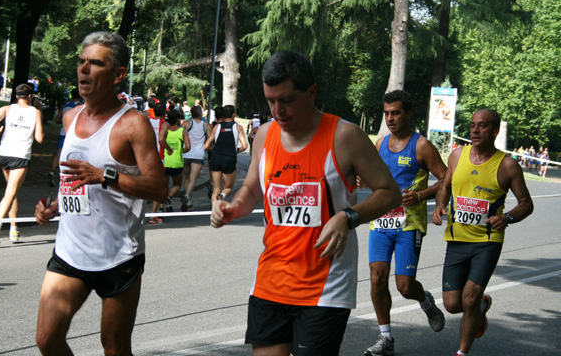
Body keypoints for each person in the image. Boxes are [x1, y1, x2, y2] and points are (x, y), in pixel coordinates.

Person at [211, 50, 402, 356]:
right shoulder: (264, 135)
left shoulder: (345, 136)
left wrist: (348, 217)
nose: (278, 111)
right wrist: (233, 207)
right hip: (271, 279)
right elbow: (251, 188)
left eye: (286, 100)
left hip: (325, 287)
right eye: (271, 101)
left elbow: (389, 192)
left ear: (311, 92)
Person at [33, 31, 167, 355]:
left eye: (95, 63)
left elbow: (159, 189)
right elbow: (73, 179)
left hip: (118, 256)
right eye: (81, 62)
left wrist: (104, 176)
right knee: (47, 339)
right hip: (71, 251)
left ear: (118, 74)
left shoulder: (133, 124)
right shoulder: (70, 116)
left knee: (115, 348)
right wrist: (54, 207)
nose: (83, 70)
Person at [432, 109, 533, 356]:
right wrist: (440, 205)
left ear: (495, 131)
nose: (476, 130)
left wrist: (507, 217)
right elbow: (445, 185)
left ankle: (462, 352)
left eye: (483, 126)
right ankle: (482, 306)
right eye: (473, 125)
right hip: (456, 240)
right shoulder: (457, 155)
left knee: (469, 299)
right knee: (452, 304)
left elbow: (526, 204)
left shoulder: (507, 165)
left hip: (486, 242)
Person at [363, 90, 447, 355]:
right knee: (377, 279)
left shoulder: (421, 146)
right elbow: (376, 179)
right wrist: (362, 180)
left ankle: (426, 302)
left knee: (404, 286)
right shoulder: (380, 144)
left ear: (408, 113)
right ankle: (386, 338)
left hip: (409, 225)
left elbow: (446, 179)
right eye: (386, 113)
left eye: (396, 112)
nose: (390, 118)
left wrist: (422, 195)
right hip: (381, 223)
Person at [0, 83, 44, 246]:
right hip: (20, 155)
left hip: (4, 153)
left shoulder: (7, 109)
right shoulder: (35, 112)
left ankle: (13, 229)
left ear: (16, 96)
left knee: (11, 191)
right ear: (30, 97)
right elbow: (39, 138)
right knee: (11, 191)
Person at [204, 104, 247, 204]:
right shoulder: (238, 127)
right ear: (233, 115)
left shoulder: (217, 126)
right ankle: (222, 196)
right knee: (228, 187)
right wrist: (235, 150)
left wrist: (213, 150)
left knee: (216, 189)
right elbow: (245, 146)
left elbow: (206, 146)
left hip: (216, 157)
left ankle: (215, 212)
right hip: (229, 158)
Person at [48, 87, 82, 187]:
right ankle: (70, 177)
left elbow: (57, 120)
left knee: (59, 153)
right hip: (74, 134)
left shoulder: (65, 105)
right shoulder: (80, 105)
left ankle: (52, 171)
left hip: (63, 132)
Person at [159, 109, 191, 212]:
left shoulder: (166, 130)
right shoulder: (183, 132)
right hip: (177, 162)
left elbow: (161, 140)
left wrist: (168, 149)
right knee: (177, 185)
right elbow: (189, 147)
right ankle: (169, 197)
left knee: (165, 186)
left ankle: (162, 207)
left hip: (166, 161)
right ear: (177, 119)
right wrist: (182, 150)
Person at [181, 105, 210, 211]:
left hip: (186, 153)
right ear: (200, 114)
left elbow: (180, 135)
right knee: (193, 179)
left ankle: (188, 202)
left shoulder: (186, 124)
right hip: (198, 154)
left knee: (187, 178)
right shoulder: (205, 125)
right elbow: (210, 137)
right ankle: (187, 196)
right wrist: (206, 146)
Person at [149, 102, 171, 223]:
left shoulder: (147, 121)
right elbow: (161, 139)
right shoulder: (165, 124)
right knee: (159, 187)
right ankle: (153, 215)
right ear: (164, 113)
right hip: (158, 159)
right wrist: (169, 149)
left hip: (145, 158)